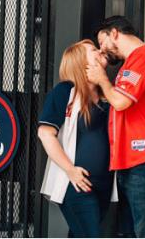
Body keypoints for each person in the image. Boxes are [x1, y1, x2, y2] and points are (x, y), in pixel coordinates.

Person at [86, 16, 145, 239]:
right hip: (134, 160)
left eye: (102, 41)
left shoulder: (144, 56)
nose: (102, 49)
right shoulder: (135, 61)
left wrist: (101, 79)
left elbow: (120, 102)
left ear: (114, 33)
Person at [39, 39, 115, 238]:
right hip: (75, 183)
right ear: (80, 62)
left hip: (104, 184)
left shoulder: (109, 95)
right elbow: (45, 134)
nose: (99, 51)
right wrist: (70, 170)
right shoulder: (65, 92)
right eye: (93, 50)